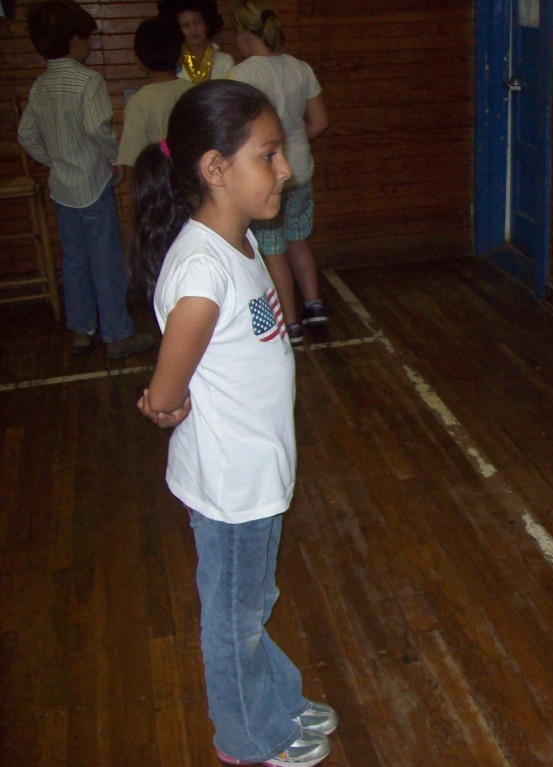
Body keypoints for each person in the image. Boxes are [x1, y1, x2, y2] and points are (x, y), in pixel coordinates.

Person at [131, 80, 335, 767]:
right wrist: (165, 404)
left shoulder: (239, 243)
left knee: (252, 602)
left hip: (257, 471)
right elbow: (165, 389)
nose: (286, 169)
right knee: (234, 617)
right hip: (231, 484)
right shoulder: (199, 272)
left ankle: (274, 696)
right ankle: (247, 737)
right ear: (215, 169)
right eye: (269, 155)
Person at [18, 0, 154, 359]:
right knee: (106, 258)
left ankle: (82, 330)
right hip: (93, 183)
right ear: (75, 39)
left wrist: (53, 159)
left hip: (61, 187)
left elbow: (26, 135)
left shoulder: (40, 85)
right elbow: (98, 128)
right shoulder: (88, 81)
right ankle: (117, 334)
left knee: (75, 259)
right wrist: (114, 159)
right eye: (87, 38)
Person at [228, 0, 329, 346]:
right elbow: (319, 121)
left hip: (267, 174)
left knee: (273, 247)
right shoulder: (301, 68)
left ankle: (291, 322)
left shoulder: (240, 76)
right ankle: (314, 304)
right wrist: (294, 144)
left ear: (243, 35)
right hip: (300, 168)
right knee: (298, 237)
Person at [117, 17, 194, 174]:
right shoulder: (196, 93)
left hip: (157, 191)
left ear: (138, 61)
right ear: (180, 57)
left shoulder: (138, 102)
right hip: (194, 186)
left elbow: (134, 161)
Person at [157, 0, 234, 83]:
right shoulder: (173, 63)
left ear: (207, 23)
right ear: (177, 29)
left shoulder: (224, 61)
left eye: (197, 22)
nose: (193, 30)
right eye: (185, 25)